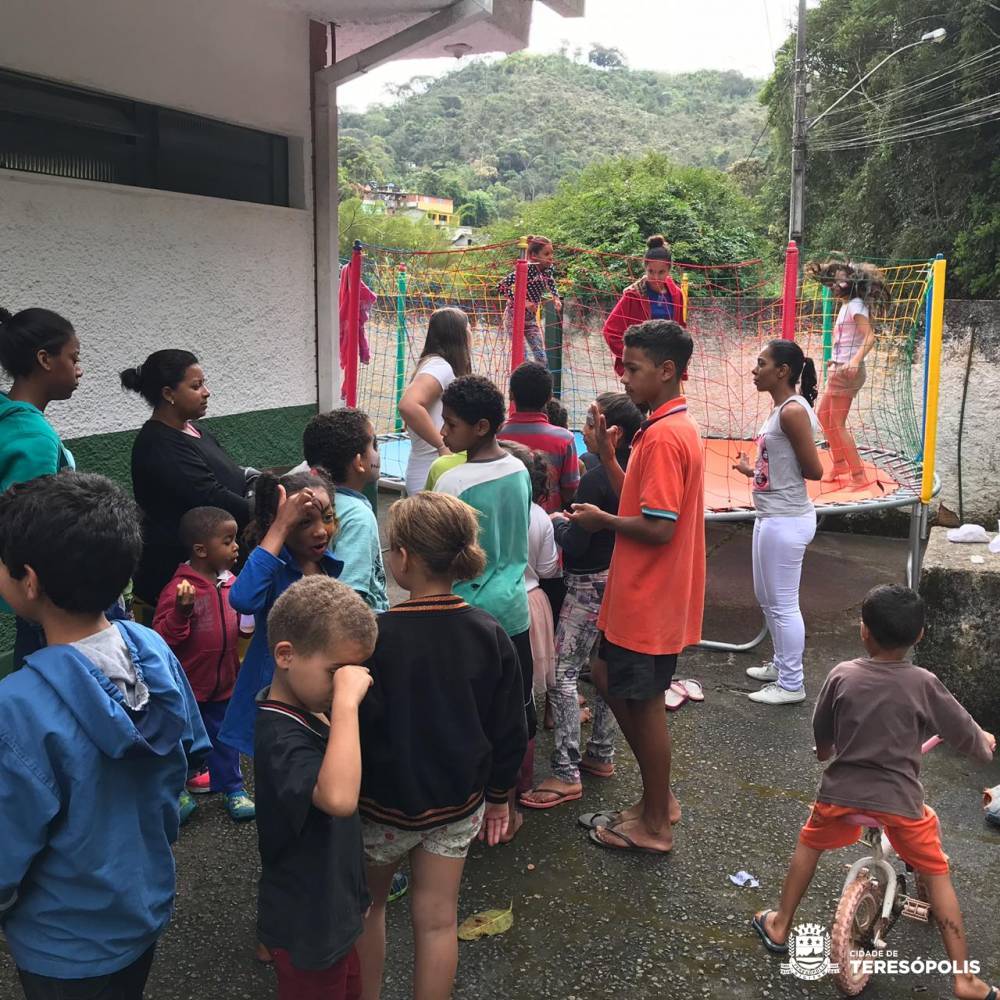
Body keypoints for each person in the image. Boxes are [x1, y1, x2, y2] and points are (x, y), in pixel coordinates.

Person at [0, 472, 209, 999]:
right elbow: (190, 749)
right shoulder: (151, 647)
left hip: (62, 943)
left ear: (29, 581)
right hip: (142, 905)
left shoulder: (18, 706)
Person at [752, 585, 998, 1000]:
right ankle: (964, 979)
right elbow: (961, 728)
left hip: (840, 795)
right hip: (900, 802)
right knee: (937, 872)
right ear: (919, 635)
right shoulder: (924, 683)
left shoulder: (842, 675)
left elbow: (822, 729)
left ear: (863, 630)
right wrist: (984, 745)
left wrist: (826, 752)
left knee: (809, 844)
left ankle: (780, 924)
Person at [355, 493, 527, 1000]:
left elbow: (359, 722)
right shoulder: (489, 632)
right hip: (457, 804)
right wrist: (499, 795)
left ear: (404, 557)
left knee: (369, 908)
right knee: (438, 921)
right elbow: (510, 727)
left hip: (382, 807)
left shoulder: (376, 636)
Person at [567, 320, 705, 855]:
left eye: (633, 368)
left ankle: (656, 824)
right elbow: (646, 505)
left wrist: (602, 521)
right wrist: (608, 459)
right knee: (604, 674)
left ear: (667, 371)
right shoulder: (663, 426)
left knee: (644, 703)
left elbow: (658, 527)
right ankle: (656, 801)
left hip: (651, 596)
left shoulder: (667, 435)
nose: (623, 378)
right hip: (639, 592)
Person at [254, 575, 378, 1000]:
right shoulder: (279, 735)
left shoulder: (312, 708)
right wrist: (345, 705)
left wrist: (357, 893)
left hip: (336, 908)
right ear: (285, 655)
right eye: (336, 673)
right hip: (308, 923)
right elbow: (339, 800)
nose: (347, 685)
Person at [520, 392, 641, 810]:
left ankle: (566, 771)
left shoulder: (595, 478)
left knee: (564, 672)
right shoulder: (634, 472)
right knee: (604, 669)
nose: (583, 432)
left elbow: (578, 541)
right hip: (617, 579)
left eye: (591, 424)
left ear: (613, 433)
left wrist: (557, 525)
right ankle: (601, 752)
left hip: (587, 584)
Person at [433, 374, 533, 841]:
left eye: (451, 423)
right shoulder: (519, 469)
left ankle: (467, 812)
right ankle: (507, 808)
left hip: (466, 613)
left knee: (467, 714)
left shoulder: (452, 480)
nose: (443, 431)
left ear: (481, 427)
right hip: (513, 609)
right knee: (510, 713)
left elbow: (438, 552)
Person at [217, 471, 343, 759]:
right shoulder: (275, 568)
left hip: (315, 695)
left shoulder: (327, 565)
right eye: (304, 522)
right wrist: (280, 527)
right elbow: (242, 599)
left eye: (327, 517)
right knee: (279, 770)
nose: (321, 531)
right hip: (275, 698)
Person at [121, 350, 252, 608]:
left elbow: (234, 475)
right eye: (196, 386)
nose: (206, 392)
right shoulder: (159, 445)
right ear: (168, 393)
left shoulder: (196, 431)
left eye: (204, 384)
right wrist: (265, 510)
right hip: (185, 586)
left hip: (218, 569)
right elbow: (212, 496)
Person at [732, 341, 823, 706]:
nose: (755, 370)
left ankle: (791, 683)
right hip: (771, 515)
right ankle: (782, 666)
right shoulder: (780, 410)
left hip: (787, 519)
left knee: (783, 605)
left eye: (761, 363)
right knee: (767, 598)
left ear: (782, 371)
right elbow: (780, 466)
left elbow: (813, 470)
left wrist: (770, 474)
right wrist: (751, 471)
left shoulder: (792, 412)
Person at [152, 506, 254, 822]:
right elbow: (162, 639)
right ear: (200, 550)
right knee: (182, 739)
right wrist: (181, 612)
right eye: (227, 541)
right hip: (188, 687)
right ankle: (179, 789)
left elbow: (242, 628)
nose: (235, 547)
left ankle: (233, 789)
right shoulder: (179, 590)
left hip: (224, 681)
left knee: (225, 739)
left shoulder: (233, 583)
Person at [0, 307, 83, 668]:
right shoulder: (33, 436)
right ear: (45, 359)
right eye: (73, 358)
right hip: (44, 599)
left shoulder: (10, 419)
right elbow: (32, 531)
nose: (79, 369)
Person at [805, 259, 889, 487]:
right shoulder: (847, 305)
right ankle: (840, 463)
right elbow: (847, 340)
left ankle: (858, 475)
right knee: (824, 416)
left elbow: (870, 337)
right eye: (832, 282)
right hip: (839, 368)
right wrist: (837, 359)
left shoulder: (856, 306)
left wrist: (854, 361)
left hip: (848, 372)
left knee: (837, 423)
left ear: (852, 283)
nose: (834, 286)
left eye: (839, 282)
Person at [302, 409, 388, 612]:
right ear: (359, 463)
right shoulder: (358, 517)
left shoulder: (307, 500)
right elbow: (350, 596)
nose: (378, 453)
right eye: (374, 445)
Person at [397, 307, 472, 496]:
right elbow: (408, 405)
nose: (471, 334)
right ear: (458, 335)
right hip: (430, 474)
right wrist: (442, 446)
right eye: (468, 328)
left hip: (432, 471)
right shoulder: (440, 366)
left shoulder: (436, 364)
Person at [500, 362, 579, 512]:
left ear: (510, 394)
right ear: (549, 397)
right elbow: (570, 489)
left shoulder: (496, 435)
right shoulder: (565, 439)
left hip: (506, 515)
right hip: (550, 519)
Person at [602, 235, 685, 377]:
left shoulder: (677, 294)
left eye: (661, 272)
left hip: (666, 369)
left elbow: (680, 330)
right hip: (640, 372)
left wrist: (680, 360)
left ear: (669, 270)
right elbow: (610, 331)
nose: (656, 277)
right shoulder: (633, 294)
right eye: (651, 271)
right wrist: (633, 359)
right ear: (645, 269)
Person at [497, 235, 561, 368]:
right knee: (522, 358)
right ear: (533, 256)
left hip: (530, 319)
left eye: (552, 253)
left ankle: (540, 380)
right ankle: (521, 380)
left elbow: (550, 282)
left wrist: (556, 297)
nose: (551, 257)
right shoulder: (526, 269)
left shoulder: (548, 269)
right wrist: (524, 302)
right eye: (546, 254)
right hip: (514, 318)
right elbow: (501, 286)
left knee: (541, 358)